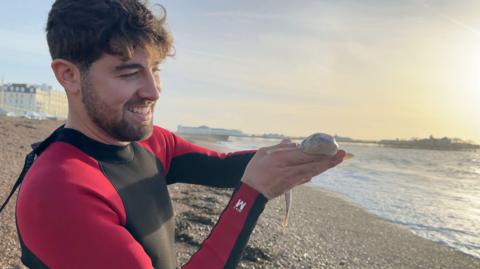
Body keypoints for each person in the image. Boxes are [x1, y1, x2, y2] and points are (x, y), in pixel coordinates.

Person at [11, 1, 346, 268]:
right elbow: (247, 184)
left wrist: (287, 156)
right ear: (69, 75)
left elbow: (221, 166)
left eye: (155, 70)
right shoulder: (60, 192)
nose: (153, 91)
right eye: (130, 73)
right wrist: (251, 196)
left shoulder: (151, 142)